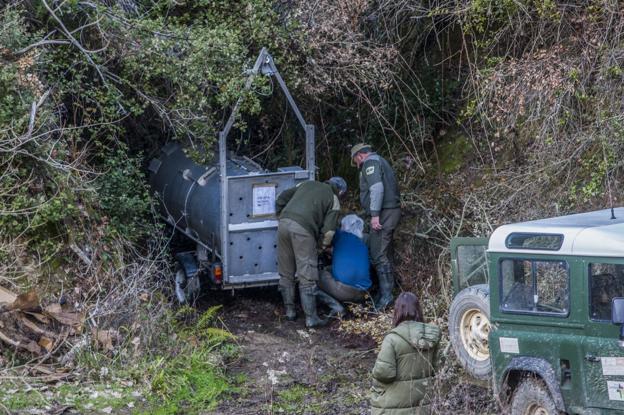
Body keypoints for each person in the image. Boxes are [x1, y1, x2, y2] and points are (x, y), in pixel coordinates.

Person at [275, 177, 347, 328]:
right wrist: (320, 248)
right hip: (303, 231)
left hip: (283, 225)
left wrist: (280, 216)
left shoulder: (306, 184)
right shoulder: (333, 199)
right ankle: (311, 318)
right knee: (307, 275)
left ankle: (290, 312)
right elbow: (328, 233)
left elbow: (281, 198)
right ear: (340, 191)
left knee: (286, 272)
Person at [370, 292, 440, 415]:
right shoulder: (431, 336)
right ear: (418, 310)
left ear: (397, 311)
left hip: (394, 406)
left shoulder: (392, 339)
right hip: (424, 404)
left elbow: (385, 373)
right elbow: (439, 368)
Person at [351, 143, 401, 310]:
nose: (358, 166)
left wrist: (374, 215)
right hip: (389, 212)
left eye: (357, 162)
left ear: (359, 156)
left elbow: (377, 188)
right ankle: (385, 292)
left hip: (384, 213)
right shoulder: (381, 161)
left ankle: (386, 298)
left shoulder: (370, 163)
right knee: (384, 252)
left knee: (378, 254)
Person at [317, 214, 371, 316]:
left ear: (344, 226)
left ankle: (336, 306)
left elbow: (327, 236)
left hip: (343, 292)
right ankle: (358, 305)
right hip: (364, 292)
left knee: (314, 276)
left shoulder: (340, 235)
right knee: (331, 269)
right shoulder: (363, 243)